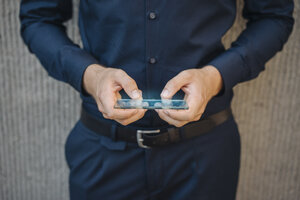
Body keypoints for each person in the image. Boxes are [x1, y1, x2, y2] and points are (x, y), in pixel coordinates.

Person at [19, 0, 294, 199]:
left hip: (206, 156)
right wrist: (92, 77)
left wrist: (214, 77)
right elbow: (38, 18)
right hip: (103, 152)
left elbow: (274, 16)